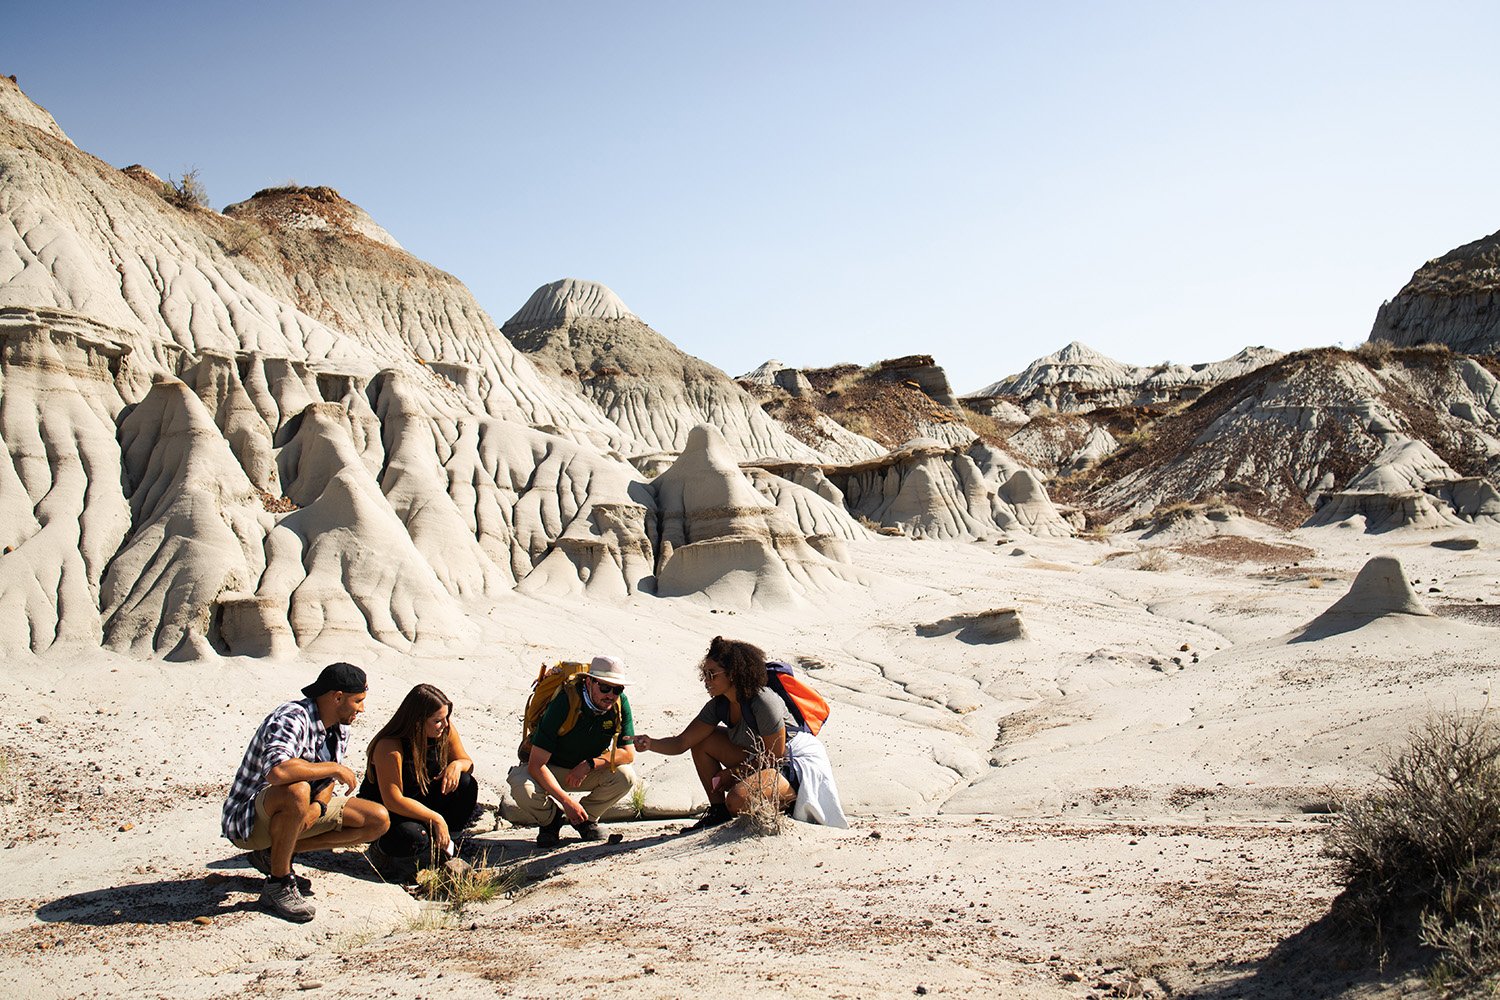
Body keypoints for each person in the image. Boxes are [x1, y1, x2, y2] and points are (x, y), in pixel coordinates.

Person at [222, 663, 391, 923]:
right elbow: (277, 771)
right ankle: (278, 884)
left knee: (378, 819)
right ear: (337, 697)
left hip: (298, 813)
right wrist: (334, 768)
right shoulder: (292, 717)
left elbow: (327, 782)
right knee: (297, 790)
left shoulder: (339, 726)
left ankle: (276, 855)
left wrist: (319, 808)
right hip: (249, 821)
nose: (362, 709)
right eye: (358, 701)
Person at [634, 636, 848, 830]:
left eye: (712, 674)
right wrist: (650, 743)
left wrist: (733, 773)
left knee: (738, 800)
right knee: (702, 741)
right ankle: (718, 813)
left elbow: (775, 756)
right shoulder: (719, 705)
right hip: (762, 758)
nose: (706, 680)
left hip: (794, 760)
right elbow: (682, 742)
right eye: (704, 674)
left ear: (733, 674)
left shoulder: (763, 701)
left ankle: (787, 803)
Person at [507, 655, 637, 846]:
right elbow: (536, 765)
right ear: (589, 681)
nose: (610, 694)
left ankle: (585, 820)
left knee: (625, 777)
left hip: (586, 772)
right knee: (521, 785)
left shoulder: (618, 703)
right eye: (604, 688)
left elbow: (628, 753)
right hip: (550, 769)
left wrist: (589, 764)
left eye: (617, 689)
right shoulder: (564, 701)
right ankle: (550, 821)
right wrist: (567, 802)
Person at [357, 683, 479, 882]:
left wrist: (456, 766)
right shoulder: (390, 745)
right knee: (413, 836)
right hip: (393, 811)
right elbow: (393, 799)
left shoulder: (445, 731)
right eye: (438, 720)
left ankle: (449, 844)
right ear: (418, 721)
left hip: (422, 797)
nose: (445, 724)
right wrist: (436, 819)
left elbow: (467, 762)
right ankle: (382, 853)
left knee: (465, 784)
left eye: (446, 718)